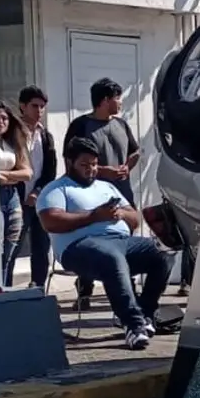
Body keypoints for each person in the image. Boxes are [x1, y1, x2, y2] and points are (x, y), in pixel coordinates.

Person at [36, 137, 172, 350]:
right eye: (84, 165)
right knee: (111, 258)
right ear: (69, 162)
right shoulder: (56, 190)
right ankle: (133, 326)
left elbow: (135, 219)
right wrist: (93, 216)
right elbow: (50, 221)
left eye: (94, 164)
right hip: (80, 247)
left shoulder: (107, 186)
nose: (91, 169)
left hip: (121, 241)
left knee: (161, 252)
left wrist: (120, 214)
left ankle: (145, 313)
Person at [63, 78, 141, 309]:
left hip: (122, 193)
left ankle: (128, 286)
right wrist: (101, 171)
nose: (120, 103)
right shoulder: (80, 126)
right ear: (105, 100)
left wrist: (128, 165)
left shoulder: (122, 125)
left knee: (124, 237)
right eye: (117, 98)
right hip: (91, 192)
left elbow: (135, 151)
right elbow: (69, 160)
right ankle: (85, 289)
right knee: (92, 239)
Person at [15, 86, 57, 288]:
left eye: (42, 107)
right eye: (34, 106)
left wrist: (38, 191)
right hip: (15, 198)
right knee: (12, 247)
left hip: (39, 199)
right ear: (23, 106)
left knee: (41, 247)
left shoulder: (45, 135)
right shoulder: (12, 132)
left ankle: (38, 287)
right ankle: (4, 289)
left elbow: (50, 169)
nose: (39, 111)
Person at [0, 101, 32, 287]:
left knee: (9, 251)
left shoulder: (12, 142)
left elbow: (26, 173)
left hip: (12, 197)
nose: (1, 121)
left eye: (4, 118)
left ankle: (4, 290)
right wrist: (11, 176)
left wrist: (4, 176)